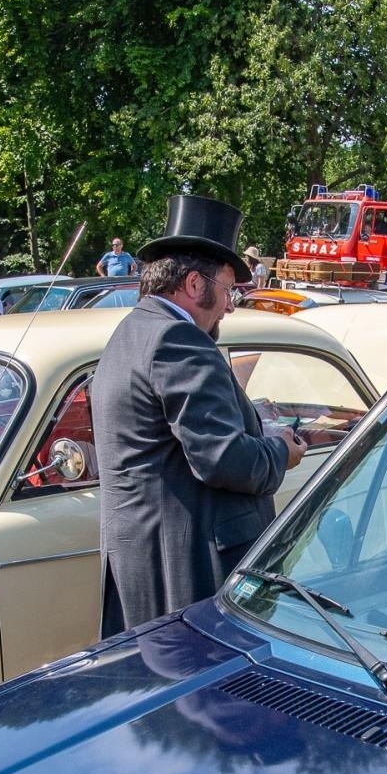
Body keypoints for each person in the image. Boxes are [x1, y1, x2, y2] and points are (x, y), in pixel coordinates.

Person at [91, 194, 305, 636]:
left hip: (148, 563)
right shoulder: (177, 340)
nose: (229, 305)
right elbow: (224, 459)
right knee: (203, 698)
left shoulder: (132, 330)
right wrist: (280, 451)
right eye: (228, 290)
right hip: (186, 574)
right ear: (193, 284)